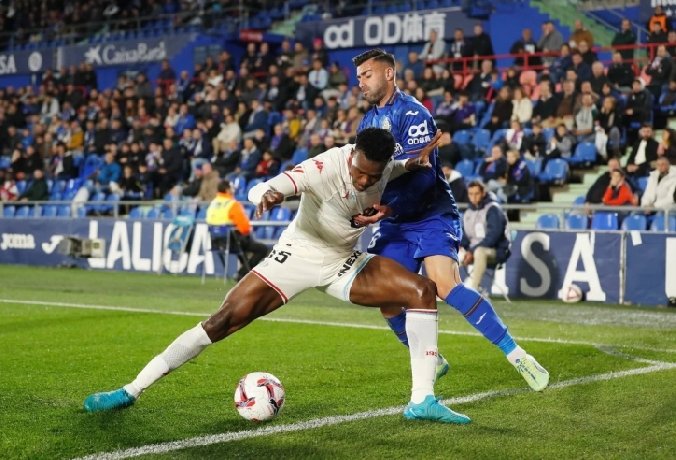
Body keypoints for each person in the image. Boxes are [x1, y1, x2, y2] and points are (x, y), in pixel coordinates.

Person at [82, 128, 471, 424]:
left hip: (343, 262)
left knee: (420, 290)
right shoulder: (323, 166)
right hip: (296, 257)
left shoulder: (382, 167)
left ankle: (422, 400)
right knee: (220, 322)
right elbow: (266, 186)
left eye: (373, 177)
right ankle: (131, 390)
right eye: (360, 173)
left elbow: (394, 168)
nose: (365, 182)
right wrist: (266, 195)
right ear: (351, 155)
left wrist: (411, 164)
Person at [351, 48, 549, 393]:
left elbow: (424, 179)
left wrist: (388, 207)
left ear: (388, 74)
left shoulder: (414, 114)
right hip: (394, 220)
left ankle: (517, 354)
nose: (361, 83)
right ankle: (434, 359)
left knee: (443, 283)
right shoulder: (367, 124)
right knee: (386, 300)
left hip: (430, 213)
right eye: (358, 78)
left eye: (366, 75)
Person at [206, 180, 269, 280]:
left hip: (215, 242)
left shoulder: (213, 203)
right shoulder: (232, 204)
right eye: (231, 188)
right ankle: (241, 274)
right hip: (232, 241)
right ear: (227, 190)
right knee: (262, 249)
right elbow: (245, 227)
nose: (233, 189)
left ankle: (244, 274)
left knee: (243, 249)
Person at [461, 180, 511, 291]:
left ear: (483, 193)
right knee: (450, 253)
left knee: (480, 251)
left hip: (496, 251)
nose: (473, 197)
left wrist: (472, 251)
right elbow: (465, 236)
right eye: (470, 194)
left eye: (476, 194)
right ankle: (446, 290)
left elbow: (493, 237)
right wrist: (462, 249)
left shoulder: (493, 209)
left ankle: (474, 290)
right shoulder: (468, 212)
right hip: (473, 250)